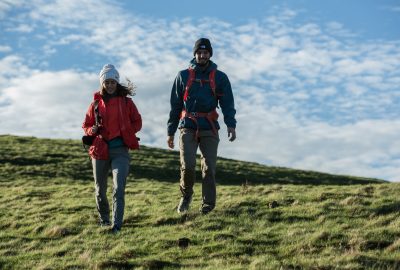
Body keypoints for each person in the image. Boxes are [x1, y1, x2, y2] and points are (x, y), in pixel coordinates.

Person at [167, 38, 237, 214]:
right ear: (194, 54)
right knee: (188, 165)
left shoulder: (220, 77)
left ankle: (208, 205)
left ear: (210, 54)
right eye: (199, 52)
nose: (202, 55)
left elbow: (228, 102)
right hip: (187, 126)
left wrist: (231, 124)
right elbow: (175, 106)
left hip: (210, 127)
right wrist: (170, 131)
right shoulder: (183, 76)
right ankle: (186, 195)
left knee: (209, 169)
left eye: (205, 53)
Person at [82, 64, 142, 233]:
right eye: (106, 82)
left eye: (112, 82)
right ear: (102, 83)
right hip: (99, 150)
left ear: (117, 83)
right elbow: (86, 124)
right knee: (100, 189)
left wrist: (127, 131)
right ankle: (104, 220)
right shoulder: (94, 104)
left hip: (120, 151)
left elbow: (137, 121)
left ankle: (116, 225)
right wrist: (90, 130)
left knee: (119, 187)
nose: (109, 85)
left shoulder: (127, 103)